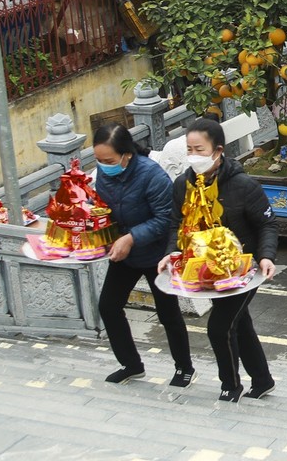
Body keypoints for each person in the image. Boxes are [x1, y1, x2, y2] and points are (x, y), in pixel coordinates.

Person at [159, 118, 277, 402]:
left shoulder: (243, 185)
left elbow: (267, 225)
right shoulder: (183, 184)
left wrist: (266, 257)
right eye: (189, 149)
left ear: (218, 150)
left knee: (219, 327)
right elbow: (176, 222)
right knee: (239, 323)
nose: (193, 156)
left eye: (199, 150)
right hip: (203, 268)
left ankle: (231, 384)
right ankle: (262, 380)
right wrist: (171, 251)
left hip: (240, 269)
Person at [93, 124, 194, 387]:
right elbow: (103, 208)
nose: (104, 166)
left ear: (126, 155)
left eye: (109, 161)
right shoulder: (104, 175)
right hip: (124, 251)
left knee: (168, 313)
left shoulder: (151, 175)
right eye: (99, 161)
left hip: (155, 253)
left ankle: (184, 367)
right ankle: (131, 364)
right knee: (108, 306)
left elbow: (166, 219)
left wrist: (132, 237)